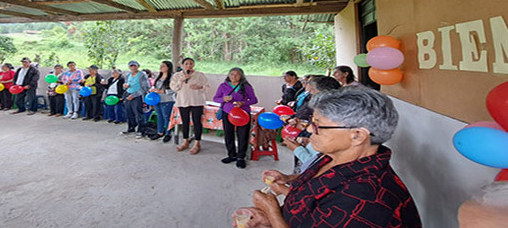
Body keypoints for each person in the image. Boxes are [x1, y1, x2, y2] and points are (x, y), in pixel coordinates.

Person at [237, 88, 422, 228]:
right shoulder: (332, 156)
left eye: (318, 126)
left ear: (357, 135)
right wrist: (288, 181)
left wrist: (272, 211)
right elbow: (315, 194)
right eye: (311, 122)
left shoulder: (366, 200)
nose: (309, 129)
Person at [214, 67, 258, 169]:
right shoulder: (223, 86)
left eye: (237, 74)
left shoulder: (246, 87)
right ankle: (231, 155)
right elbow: (215, 98)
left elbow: (254, 99)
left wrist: (243, 103)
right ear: (229, 75)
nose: (234, 76)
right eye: (232, 74)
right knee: (228, 134)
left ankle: (241, 157)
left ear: (241, 76)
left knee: (242, 135)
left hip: (243, 114)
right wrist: (223, 99)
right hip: (227, 112)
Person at [170, 57, 209, 155]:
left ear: (194, 64)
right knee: (185, 122)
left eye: (191, 63)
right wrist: (182, 80)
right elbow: (174, 87)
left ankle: (197, 143)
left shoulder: (200, 75)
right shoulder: (177, 75)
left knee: (197, 122)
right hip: (183, 102)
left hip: (197, 102)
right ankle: (185, 141)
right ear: (182, 65)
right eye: (186, 64)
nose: (189, 65)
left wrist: (199, 87)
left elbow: (207, 87)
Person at [121, 60, 150, 138]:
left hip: (138, 96)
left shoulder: (142, 75)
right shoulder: (128, 75)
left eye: (135, 66)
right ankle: (131, 127)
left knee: (138, 113)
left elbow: (145, 87)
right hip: (128, 94)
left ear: (138, 66)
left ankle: (141, 130)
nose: (133, 67)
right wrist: (125, 86)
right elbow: (126, 84)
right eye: (131, 66)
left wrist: (134, 95)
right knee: (128, 112)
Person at [148, 61, 176, 142]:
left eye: (163, 66)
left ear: (168, 67)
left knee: (166, 117)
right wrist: (152, 89)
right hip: (157, 100)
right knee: (159, 116)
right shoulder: (158, 76)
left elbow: (174, 89)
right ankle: (160, 132)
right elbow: (154, 85)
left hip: (167, 100)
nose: (161, 67)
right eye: (161, 65)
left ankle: (168, 133)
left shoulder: (172, 77)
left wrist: (161, 91)